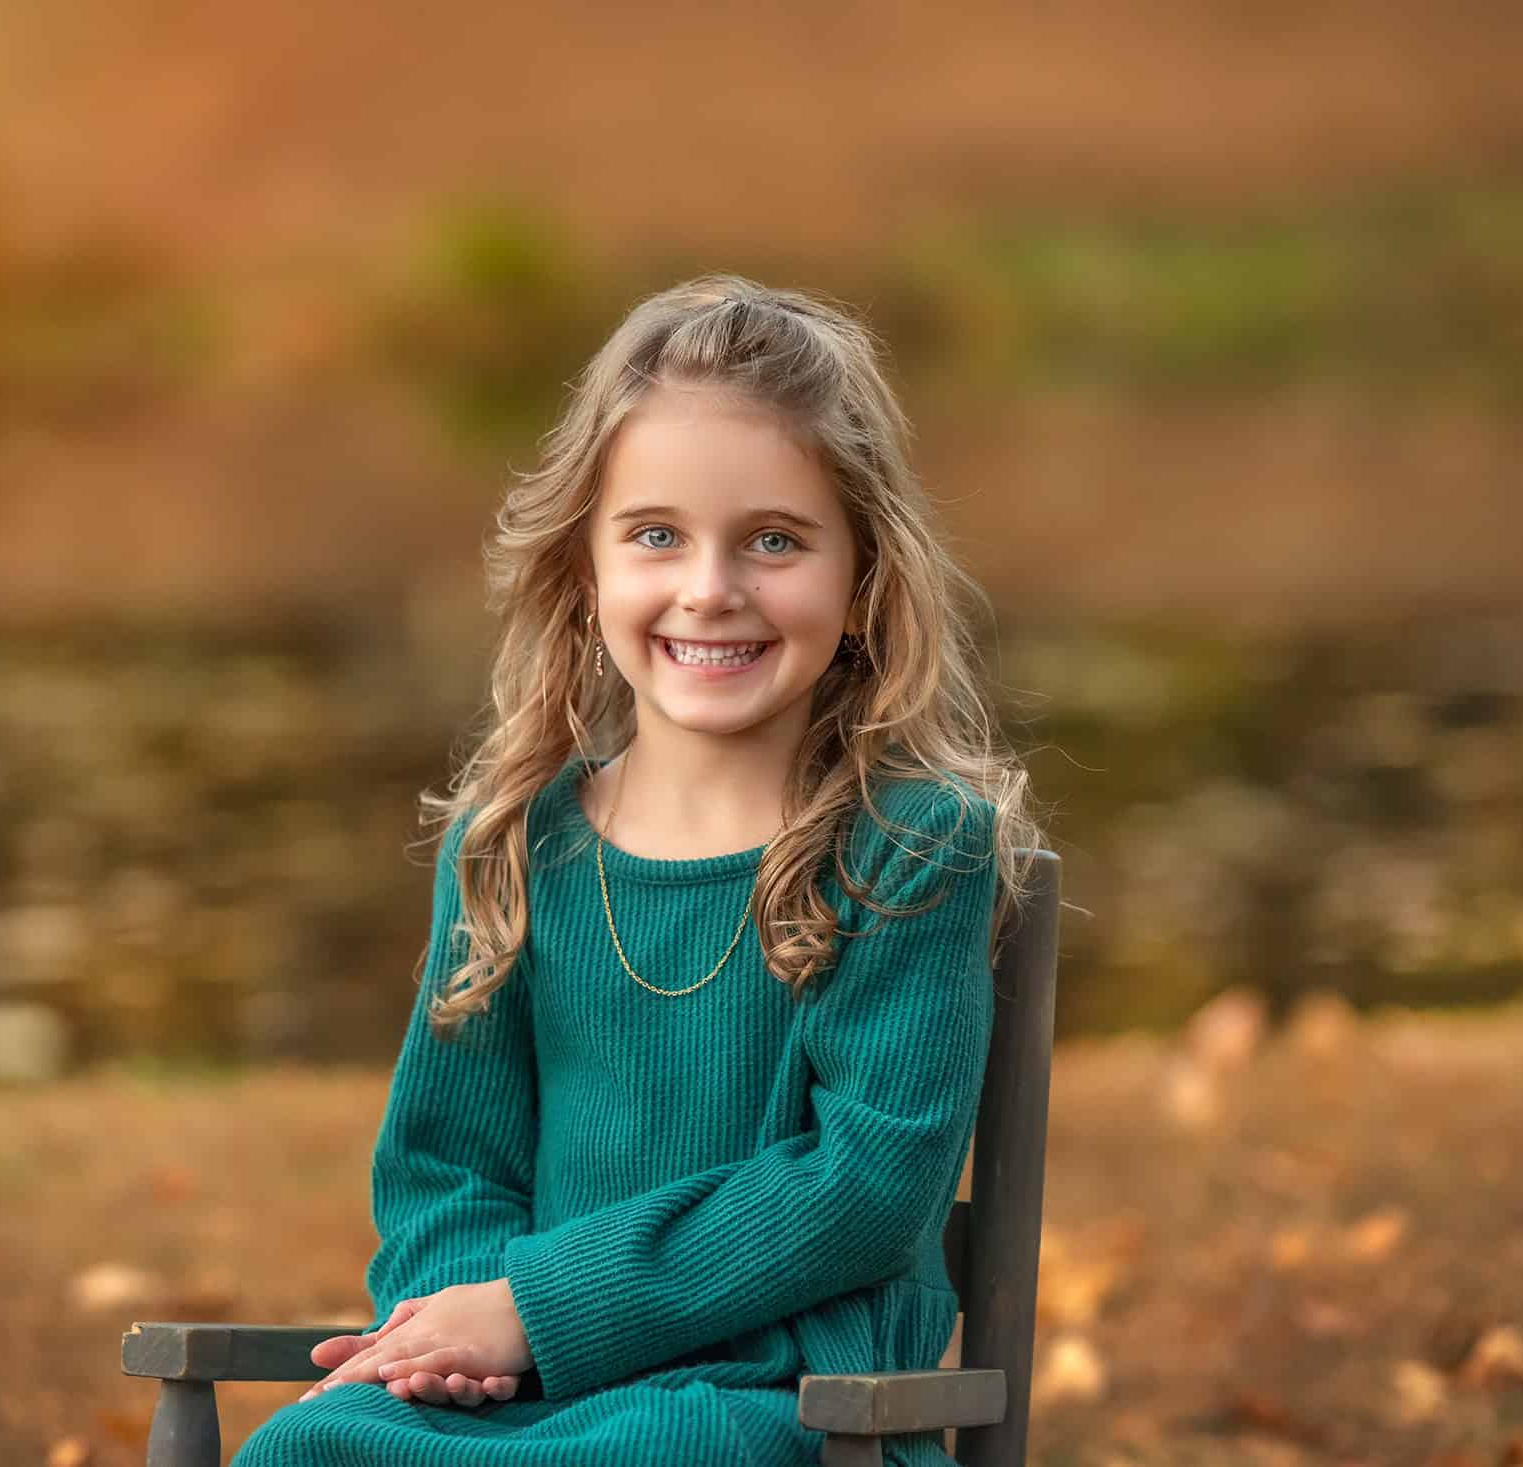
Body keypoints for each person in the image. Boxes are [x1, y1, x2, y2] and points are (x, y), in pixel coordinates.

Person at [231, 275, 1046, 1467]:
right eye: (656, 535)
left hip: (782, 1408)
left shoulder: (906, 848)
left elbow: (865, 1188)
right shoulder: (513, 845)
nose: (709, 588)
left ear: (864, 577)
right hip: (521, 1391)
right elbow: (445, 1166)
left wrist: (535, 1312)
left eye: (773, 540)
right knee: (304, 1452)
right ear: (583, 569)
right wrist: (457, 1337)